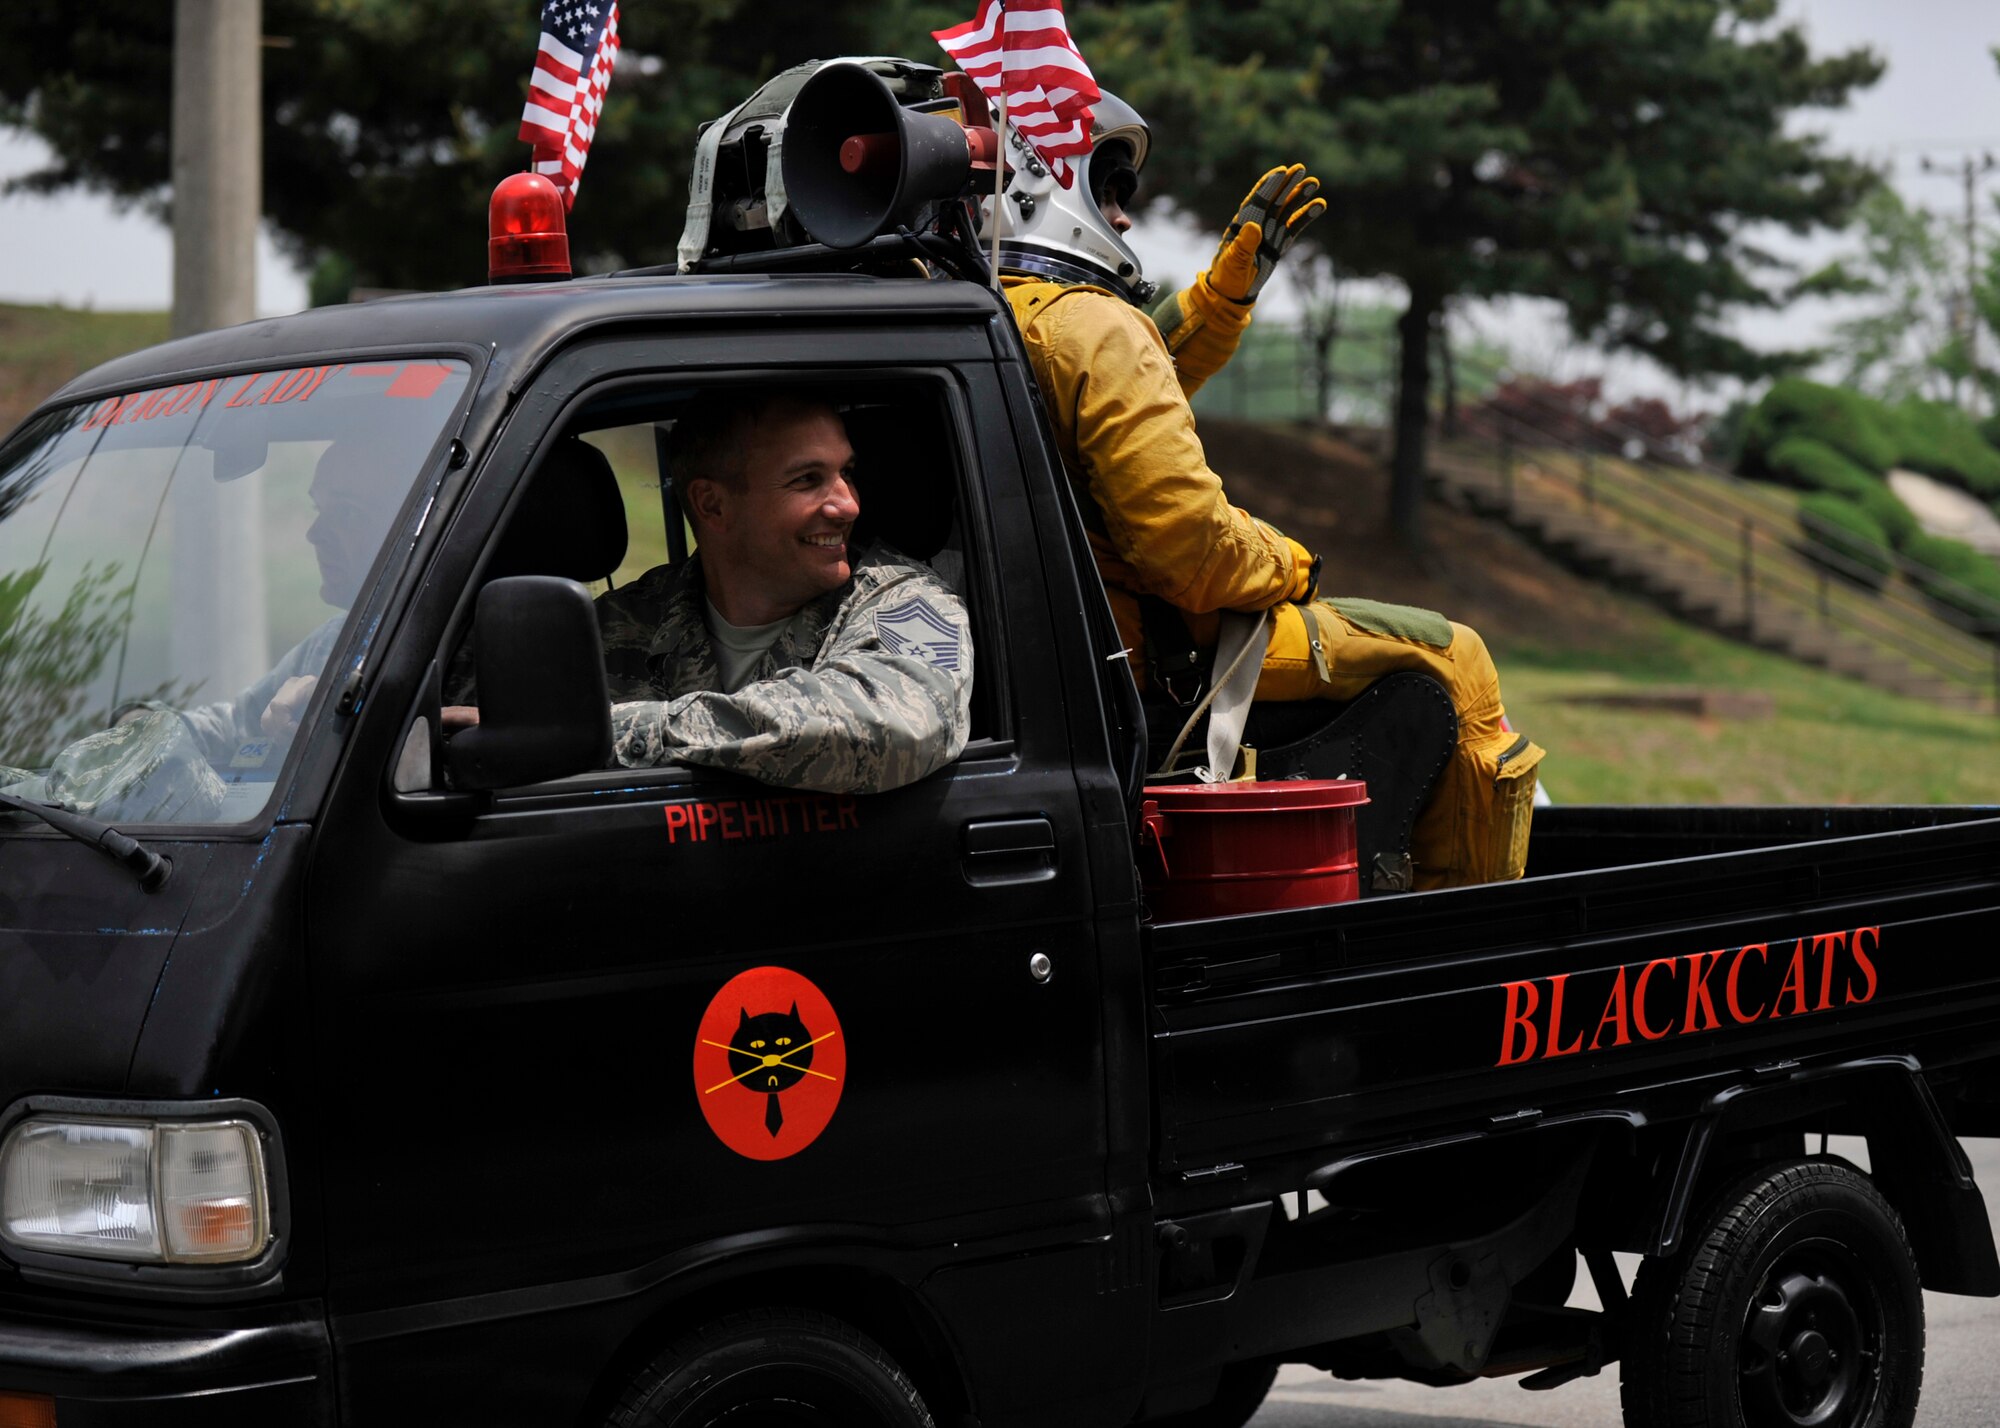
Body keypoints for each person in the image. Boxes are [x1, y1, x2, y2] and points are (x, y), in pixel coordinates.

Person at [990, 92, 1542, 888]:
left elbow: (1107, 380)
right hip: (1157, 667)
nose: (1125, 219)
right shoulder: (1090, 326)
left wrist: (1219, 299)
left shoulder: (984, 313)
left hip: (1062, 673)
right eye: (1110, 190)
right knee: (1461, 656)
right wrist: (1292, 563)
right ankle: (1465, 925)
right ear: (1044, 188)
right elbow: (1196, 555)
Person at [454, 391, 973, 796]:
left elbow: (894, 728)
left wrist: (608, 734)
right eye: (808, 480)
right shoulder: (616, 624)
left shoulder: (904, 600)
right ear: (712, 505)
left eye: (847, 473)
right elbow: (463, 731)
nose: (848, 505)